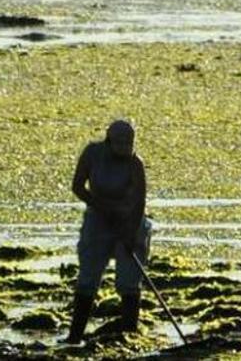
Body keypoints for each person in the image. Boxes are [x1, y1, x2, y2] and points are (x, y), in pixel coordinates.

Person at [66, 120, 151, 344]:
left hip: (129, 219)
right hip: (98, 218)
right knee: (88, 277)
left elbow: (140, 200)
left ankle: (129, 335)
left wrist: (131, 233)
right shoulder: (92, 154)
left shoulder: (135, 163)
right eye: (120, 142)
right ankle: (75, 336)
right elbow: (77, 186)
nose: (125, 147)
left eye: (129, 142)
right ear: (109, 139)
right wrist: (101, 207)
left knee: (129, 280)